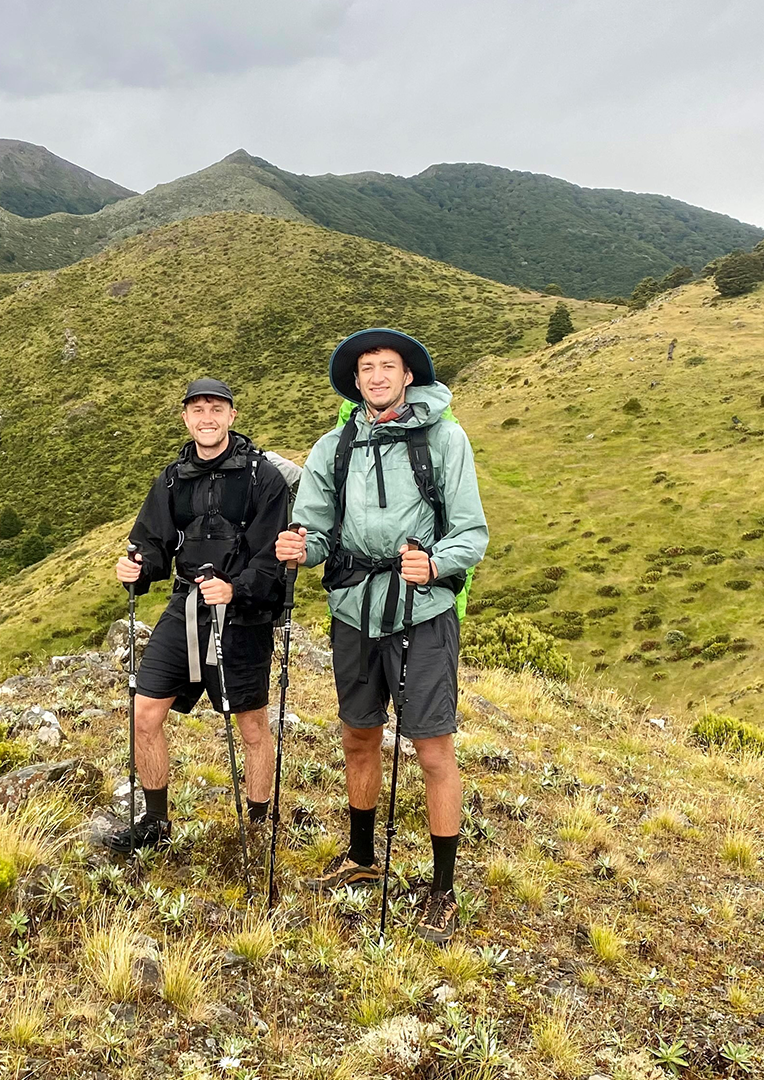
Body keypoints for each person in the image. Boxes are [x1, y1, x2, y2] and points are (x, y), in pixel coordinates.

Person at [275, 329, 488, 945]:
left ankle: (442, 889)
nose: (376, 376)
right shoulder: (334, 445)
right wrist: (299, 547)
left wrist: (436, 562)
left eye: (387, 366)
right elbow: (315, 530)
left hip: (423, 612)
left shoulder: (445, 438)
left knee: (432, 748)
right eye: (366, 368)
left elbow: (472, 533)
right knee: (358, 735)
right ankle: (363, 857)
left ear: (407, 375)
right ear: (356, 380)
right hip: (353, 610)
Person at [102, 378, 293, 854]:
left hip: (243, 615)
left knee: (250, 725)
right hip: (185, 607)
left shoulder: (262, 478)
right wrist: (136, 566)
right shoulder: (172, 478)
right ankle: (156, 822)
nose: (207, 418)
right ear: (186, 418)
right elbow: (152, 541)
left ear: (232, 416)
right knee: (144, 713)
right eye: (197, 410)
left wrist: (237, 589)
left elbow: (274, 554)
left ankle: (256, 825)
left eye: (216, 409)